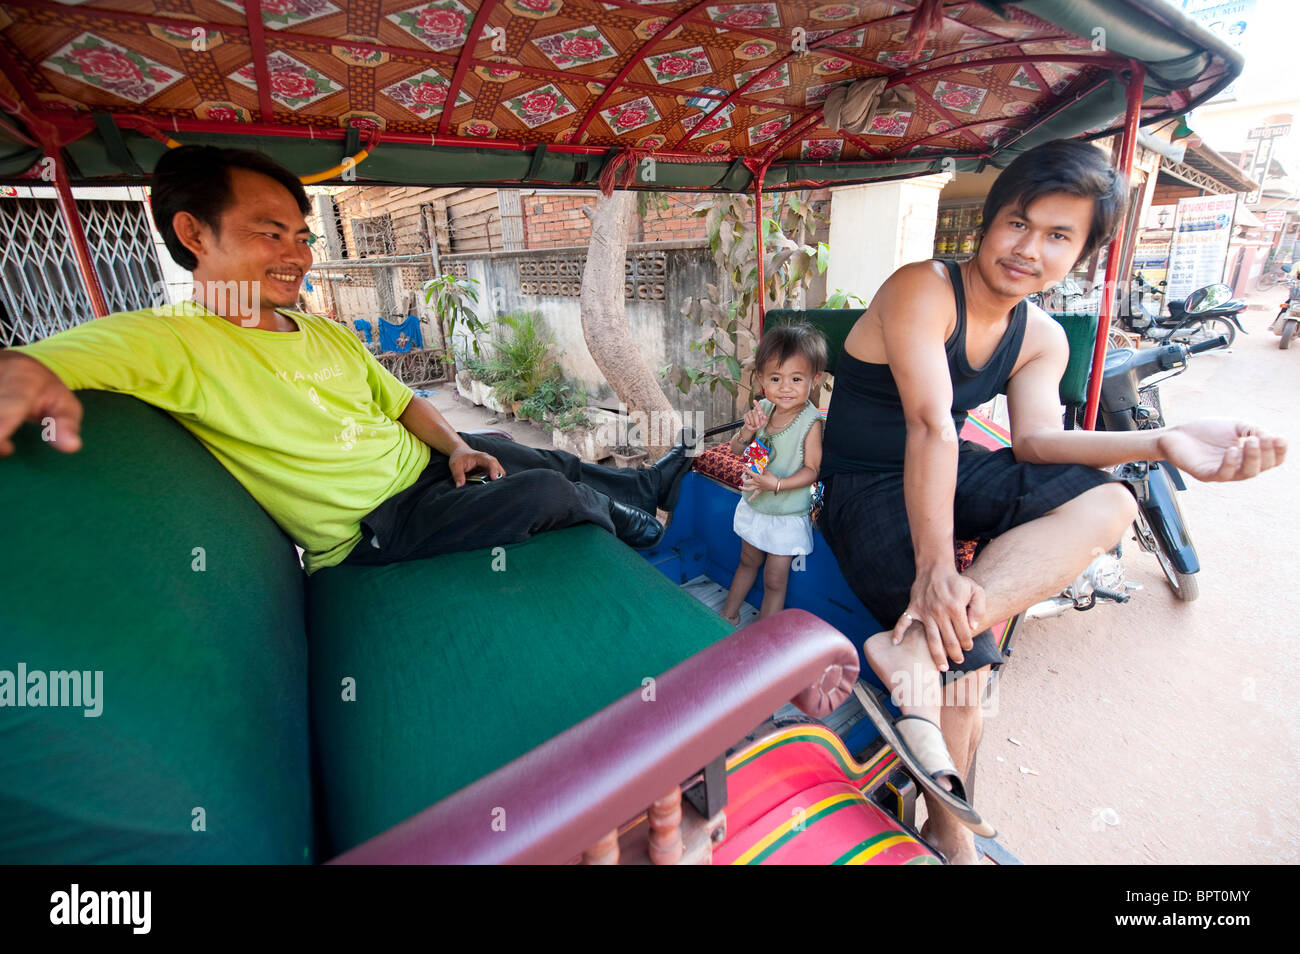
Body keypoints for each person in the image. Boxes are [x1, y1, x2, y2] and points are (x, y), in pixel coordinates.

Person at [817, 139, 1286, 864]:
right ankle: (952, 836)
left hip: (955, 464)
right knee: (966, 657)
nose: (1028, 248)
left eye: (1058, 235)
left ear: (1085, 252)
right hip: (863, 482)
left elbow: (1034, 441)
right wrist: (934, 568)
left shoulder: (1038, 335)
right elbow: (929, 423)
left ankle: (921, 637)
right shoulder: (924, 287)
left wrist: (1162, 441)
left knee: (1112, 506)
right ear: (987, 221)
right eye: (1017, 222)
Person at [0, 146, 696, 573]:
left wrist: (454, 448)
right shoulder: (170, 337)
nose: (298, 254)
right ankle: (634, 534)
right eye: (270, 233)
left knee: (519, 450)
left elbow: (403, 402)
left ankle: (644, 489)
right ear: (192, 234)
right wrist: (22, 376)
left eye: (302, 235)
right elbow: (25, 364)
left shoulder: (319, 330)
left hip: (425, 473)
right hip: (377, 528)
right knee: (546, 493)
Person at [720, 324, 826, 624]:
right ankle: (727, 615)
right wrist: (748, 430)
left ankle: (764, 639)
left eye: (796, 378)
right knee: (746, 562)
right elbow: (738, 451)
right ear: (762, 379)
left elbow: (813, 471)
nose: (786, 387)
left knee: (775, 579)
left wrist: (776, 483)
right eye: (776, 378)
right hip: (756, 505)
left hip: (786, 515)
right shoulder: (763, 408)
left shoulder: (810, 422)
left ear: (813, 380)